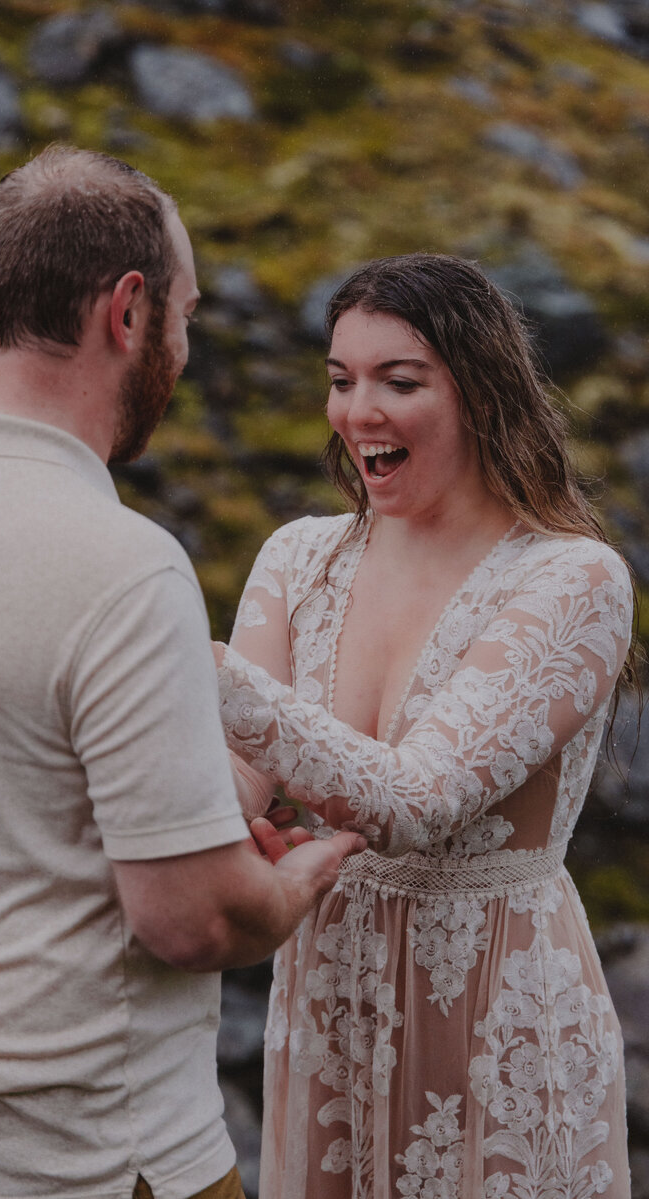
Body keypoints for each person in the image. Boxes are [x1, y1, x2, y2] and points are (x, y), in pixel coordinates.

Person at [0, 145, 366, 1199]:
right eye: (184, 313)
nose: (183, 345)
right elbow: (190, 919)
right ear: (125, 311)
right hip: (96, 1153)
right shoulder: (122, 563)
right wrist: (284, 885)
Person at [214, 254, 634, 1199]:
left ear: (482, 393)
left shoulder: (571, 579)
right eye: (340, 379)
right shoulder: (297, 558)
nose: (359, 411)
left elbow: (418, 796)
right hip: (328, 999)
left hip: (494, 1014)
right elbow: (234, 777)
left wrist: (192, 668)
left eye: (398, 382)